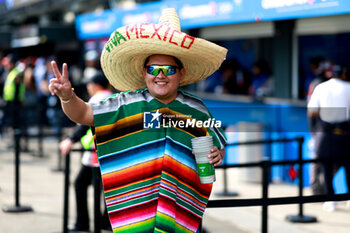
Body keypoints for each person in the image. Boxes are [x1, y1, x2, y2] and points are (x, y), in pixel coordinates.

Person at [49, 8, 227, 233]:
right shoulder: (124, 104)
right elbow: (83, 114)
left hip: (181, 210)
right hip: (134, 212)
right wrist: (67, 97)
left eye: (169, 69)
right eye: (154, 68)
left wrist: (219, 154)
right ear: (144, 73)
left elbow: (218, 144)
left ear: (181, 74)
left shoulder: (196, 110)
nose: (160, 75)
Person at [308, 64, 350, 211]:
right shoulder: (348, 87)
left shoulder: (321, 87)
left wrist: (314, 130)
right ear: (343, 74)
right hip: (344, 133)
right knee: (347, 167)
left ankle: (330, 200)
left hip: (325, 133)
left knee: (326, 167)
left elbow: (312, 111)